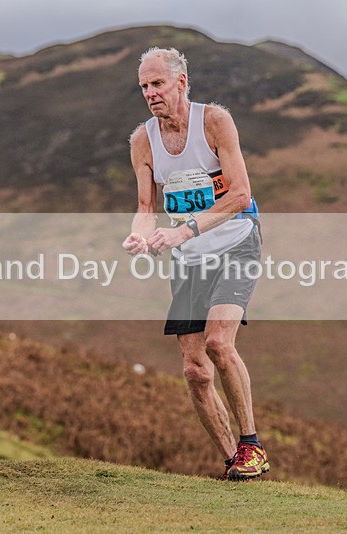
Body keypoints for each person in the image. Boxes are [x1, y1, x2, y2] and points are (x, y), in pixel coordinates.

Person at [122, 47, 269, 480]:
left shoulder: (214, 122)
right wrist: (141, 234)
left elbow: (240, 195)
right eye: (144, 87)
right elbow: (146, 205)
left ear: (181, 82)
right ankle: (234, 464)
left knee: (219, 344)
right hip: (190, 258)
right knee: (193, 370)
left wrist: (183, 230)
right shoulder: (142, 141)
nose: (150, 93)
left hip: (237, 241)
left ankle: (252, 445)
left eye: (158, 84)